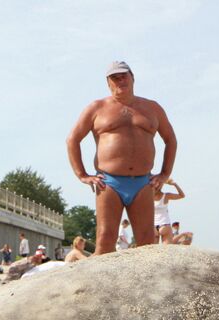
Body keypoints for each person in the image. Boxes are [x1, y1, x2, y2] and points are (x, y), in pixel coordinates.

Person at [67, 60, 177, 255]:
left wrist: (164, 174)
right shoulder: (97, 107)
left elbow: (170, 139)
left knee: (147, 240)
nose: (119, 81)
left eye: (123, 76)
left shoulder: (152, 108)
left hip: (143, 182)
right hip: (109, 182)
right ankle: (99, 285)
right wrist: (82, 175)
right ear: (108, 83)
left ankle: (146, 285)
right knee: (105, 238)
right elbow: (72, 139)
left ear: (132, 78)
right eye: (114, 78)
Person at [154, 179, 186, 244]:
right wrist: (175, 184)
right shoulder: (166, 196)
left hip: (153, 225)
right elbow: (182, 195)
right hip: (165, 224)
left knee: (152, 251)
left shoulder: (148, 196)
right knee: (166, 251)